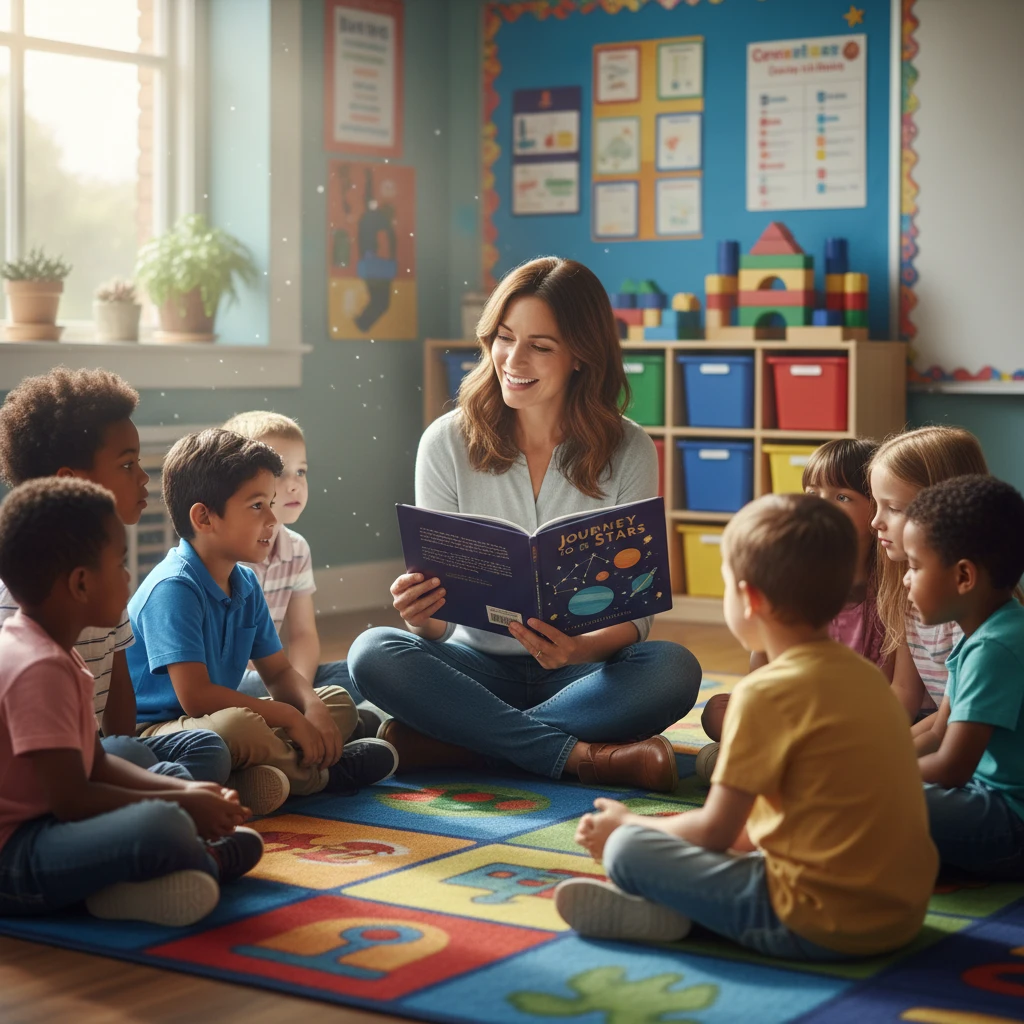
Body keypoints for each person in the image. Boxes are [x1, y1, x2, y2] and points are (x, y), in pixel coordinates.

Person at [348, 256, 702, 793]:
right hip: (474, 665)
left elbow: (638, 613)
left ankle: (459, 744)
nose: (513, 359)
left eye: (540, 346)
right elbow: (439, 626)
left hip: (580, 673)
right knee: (373, 651)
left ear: (581, 356)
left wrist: (579, 649)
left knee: (673, 669)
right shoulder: (445, 441)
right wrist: (423, 617)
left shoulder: (629, 449)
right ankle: (583, 756)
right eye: (504, 337)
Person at [554, 494, 937, 960]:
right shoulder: (870, 681)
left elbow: (717, 831)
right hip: (902, 915)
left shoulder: (765, 695)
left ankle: (687, 914)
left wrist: (626, 824)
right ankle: (671, 915)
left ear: (750, 599)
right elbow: (750, 832)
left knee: (628, 850)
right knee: (729, 847)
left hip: (817, 923)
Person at [0, 478, 263, 926]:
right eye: (120, 565)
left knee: (171, 777)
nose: (128, 578)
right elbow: (73, 799)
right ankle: (151, 877)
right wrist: (180, 807)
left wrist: (183, 790)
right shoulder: (38, 667)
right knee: (161, 826)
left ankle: (166, 865)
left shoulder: (56, 651)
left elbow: (97, 763)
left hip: (50, 821)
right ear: (81, 584)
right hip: (16, 857)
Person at [127, 429, 398, 816]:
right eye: (257, 506)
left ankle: (262, 778)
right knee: (239, 728)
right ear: (204, 517)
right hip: (160, 731)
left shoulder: (246, 582)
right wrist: (289, 716)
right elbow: (196, 698)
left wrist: (308, 705)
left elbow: (278, 671)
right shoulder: (174, 588)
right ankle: (326, 776)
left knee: (334, 701)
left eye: (271, 504)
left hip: (212, 717)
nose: (273, 519)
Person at [0, 367, 230, 785]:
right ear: (69, 481)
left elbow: (119, 693)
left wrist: (128, 755)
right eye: (127, 465)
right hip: (46, 767)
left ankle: (171, 786)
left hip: (102, 750)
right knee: (136, 759)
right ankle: (173, 792)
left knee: (205, 747)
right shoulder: (20, 595)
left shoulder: (107, 579)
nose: (143, 477)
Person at [700, 439, 892, 778]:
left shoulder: (887, 588)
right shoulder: (797, 572)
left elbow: (888, 690)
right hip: (793, 700)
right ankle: (769, 751)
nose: (822, 506)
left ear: (875, 509)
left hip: (854, 709)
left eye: (842, 496)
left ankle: (768, 756)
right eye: (812, 493)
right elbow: (763, 662)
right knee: (717, 710)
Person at [222, 410, 379, 736]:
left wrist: (303, 693)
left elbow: (303, 634)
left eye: (301, 472)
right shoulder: (227, 555)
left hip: (279, 680)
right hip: (230, 686)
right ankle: (317, 727)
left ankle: (300, 725)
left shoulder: (297, 549)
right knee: (247, 698)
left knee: (363, 674)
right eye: (279, 473)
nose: (294, 485)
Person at [903, 475, 1024, 879]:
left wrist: (874, 775)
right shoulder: (985, 632)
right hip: (983, 796)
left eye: (915, 566)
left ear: (964, 577)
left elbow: (953, 766)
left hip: (1010, 822)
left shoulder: (994, 647)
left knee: (868, 800)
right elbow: (938, 732)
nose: (906, 578)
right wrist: (875, 757)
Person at [869, 426, 990, 723]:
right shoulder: (908, 589)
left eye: (894, 508)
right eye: (877, 505)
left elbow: (951, 727)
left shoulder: (976, 611)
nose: (875, 522)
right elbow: (904, 692)